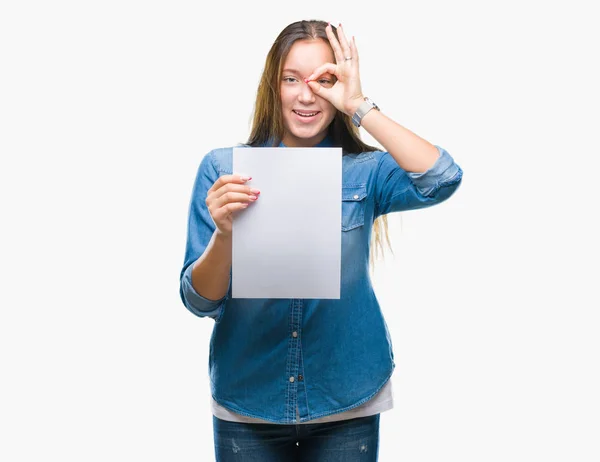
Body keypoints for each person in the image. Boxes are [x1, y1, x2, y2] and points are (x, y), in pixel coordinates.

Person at [179, 19, 463, 462]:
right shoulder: (224, 170)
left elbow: (442, 177)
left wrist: (358, 105)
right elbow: (200, 301)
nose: (306, 95)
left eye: (323, 80)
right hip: (248, 401)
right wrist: (225, 235)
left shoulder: (365, 171)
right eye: (291, 79)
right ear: (273, 87)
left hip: (347, 398)